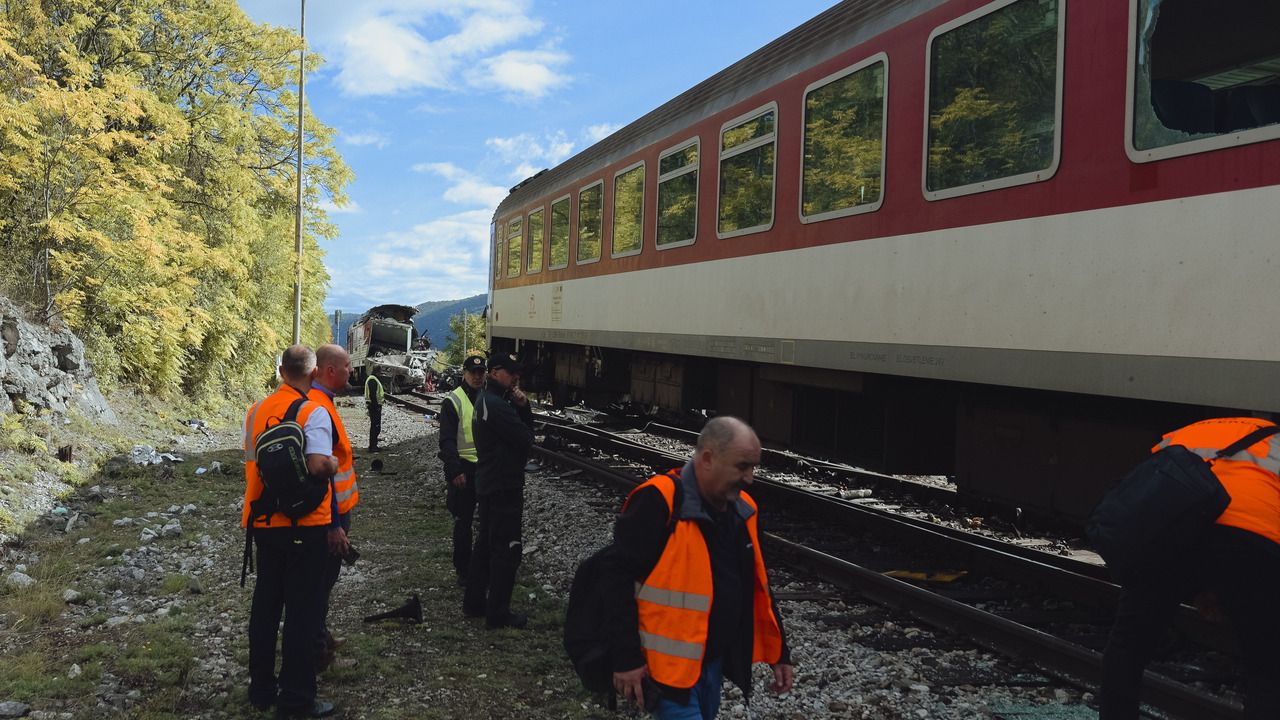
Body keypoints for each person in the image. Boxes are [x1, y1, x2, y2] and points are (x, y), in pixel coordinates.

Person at [603, 416, 794, 719]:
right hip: (666, 670)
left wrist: (779, 653)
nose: (750, 478)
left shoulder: (743, 511)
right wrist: (625, 658)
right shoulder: (659, 501)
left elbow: (758, 584)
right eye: (742, 467)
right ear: (707, 459)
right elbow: (613, 583)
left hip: (711, 663)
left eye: (753, 467)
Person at [1100, 417, 1280, 719]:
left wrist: (1202, 584)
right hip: (1252, 534)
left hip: (1171, 520)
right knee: (1267, 665)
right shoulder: (1274, 445)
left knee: (1128, 645)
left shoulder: (1191, 431)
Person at [242, 345, 338, 718]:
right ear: (313, 375)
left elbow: (253, 463)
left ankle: (262, 690)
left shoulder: (255, 411)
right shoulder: (313, 411)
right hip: (304, 524)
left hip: (262, 522)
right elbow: (316, 465)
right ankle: (297, 699)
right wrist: (331, 462)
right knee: (302, 613)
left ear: (281, 370)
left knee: (265, 607)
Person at [462, 352, 534, 629]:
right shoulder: (497, 405)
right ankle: (498, 613)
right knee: (506, 549)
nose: (516, 377)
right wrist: (524, 408)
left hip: (489, 481)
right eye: (511, 372)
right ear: (496, 373)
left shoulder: (486, 401)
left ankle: (475, 602)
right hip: (504, 484)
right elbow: (526, 439)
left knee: (484, 545)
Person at [309, 344, 360, 671]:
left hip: (334, 511)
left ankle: (321, 637)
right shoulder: (318, 408)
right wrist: (334, 524)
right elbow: (322, 474)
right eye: (347, 366)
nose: (351, 371)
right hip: (329, 515)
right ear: (330, 371)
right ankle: (319, 655)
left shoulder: (323, 402)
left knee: (322, 584)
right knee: (317, 586)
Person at [438, 354, 486, 585]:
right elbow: (447, 441)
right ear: (464, 374)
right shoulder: (453, 401)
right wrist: (455, 470)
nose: (477, 377)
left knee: (486, 522)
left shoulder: (488, 397)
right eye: (473, 373)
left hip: (486, 469)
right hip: (464, 469)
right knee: (463, 522)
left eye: (481, 373)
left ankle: (481, 567)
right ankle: (463, 570)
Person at [364, 372, 384, 452]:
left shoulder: (372, 379)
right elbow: (373, 395)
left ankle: (373, 445)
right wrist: (376, 407)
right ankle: (373, 447)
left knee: (375, 426)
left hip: (373, 406)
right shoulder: (372, 380)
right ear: (377, 372)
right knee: (375, 427)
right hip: (374, 407)